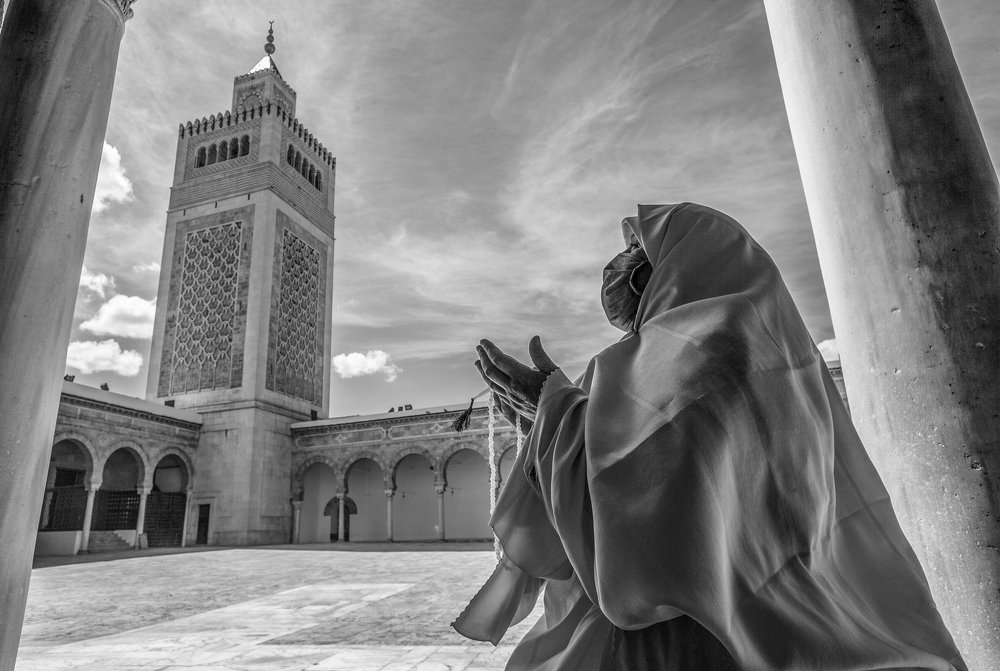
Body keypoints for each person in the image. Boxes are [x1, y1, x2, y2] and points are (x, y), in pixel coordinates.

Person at [452, 203, 966, 670]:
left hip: (694, 628)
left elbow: (656, 482)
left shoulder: (721, 351)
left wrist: (556, 414)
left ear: (686, 259)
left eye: (636, 251)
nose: (620, 266)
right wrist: (546, 423)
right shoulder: (702, 361)